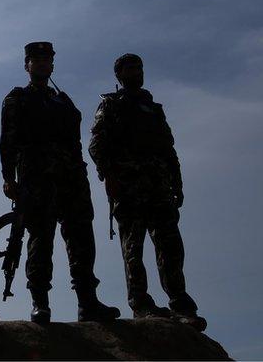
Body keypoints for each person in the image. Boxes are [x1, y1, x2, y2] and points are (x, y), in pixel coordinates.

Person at [0, 41, 120, 323]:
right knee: (41, 239)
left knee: (81, 239)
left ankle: (87, 302)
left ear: (52, 64)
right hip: (36, 177)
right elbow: (8, 142)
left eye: (47, 60)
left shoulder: (63, 101)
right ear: (27, 65)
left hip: (72, 177)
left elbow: (76, 141)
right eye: (36, 60)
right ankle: (40, 302)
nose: (42, 64)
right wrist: (8, 177)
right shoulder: (17, 98)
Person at [89, 53, 206, 330]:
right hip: (129, 188)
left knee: (171, 247)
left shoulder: (153, 108)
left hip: (159, 188)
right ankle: (141, 304)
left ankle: (180, 304)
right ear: (119, 75)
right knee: (134, 248)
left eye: (139, 67)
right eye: (130, 68)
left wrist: (176, 184)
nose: (136, 72)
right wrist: (110, 175)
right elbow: (96, 146)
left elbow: (168, 150)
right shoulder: (111, 106)